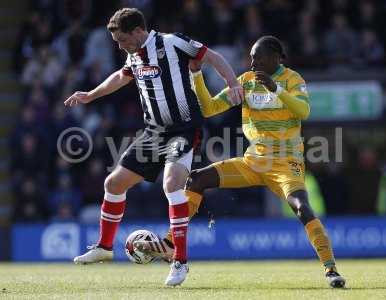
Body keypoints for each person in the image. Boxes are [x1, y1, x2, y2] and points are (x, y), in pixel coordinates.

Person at [136, 35, 346, 288]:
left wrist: (275, 88)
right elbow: (209, 108)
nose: (252, 61)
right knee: (197, 179)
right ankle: (170, 244)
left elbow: (303, 111)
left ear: (276, 57)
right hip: (252, 162)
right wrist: (197, 76)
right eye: (251, 57)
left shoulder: (293, 80)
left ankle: (331, 269)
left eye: (258, 56)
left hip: (284, 165)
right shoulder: (246, 82)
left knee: (302, 208)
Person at [64, 7, 243, 286]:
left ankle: (180, 261)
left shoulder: (172, 42)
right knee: (113, 184)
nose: (121, 46)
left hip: (184, 128)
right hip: (154, 132)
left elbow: (213, 56)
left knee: (171, 185)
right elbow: (122, 76)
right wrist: (91, 95)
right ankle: (104, 247)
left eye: (123, 40)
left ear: (138, 31)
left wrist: (231, 83)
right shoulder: (133, 54)